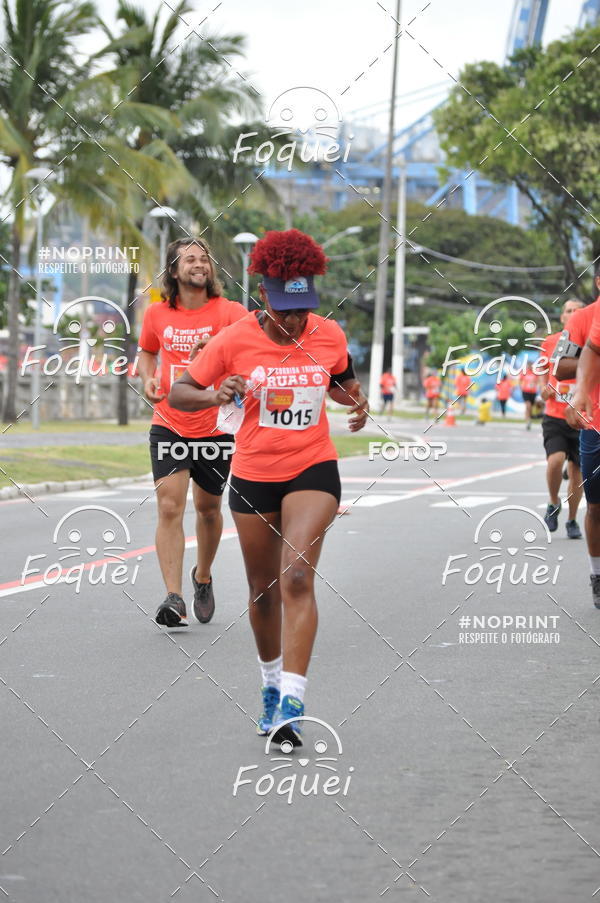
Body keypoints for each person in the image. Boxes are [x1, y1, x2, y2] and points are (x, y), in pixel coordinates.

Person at [169, 229, 369, 747]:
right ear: (263, 296)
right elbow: (180, 391)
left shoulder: (329, 334)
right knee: (263, 593)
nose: (295, 322)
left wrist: (357, 400)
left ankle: (293, 705)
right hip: (254, 475)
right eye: (285, 312)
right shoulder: (233, 340)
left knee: (297, 575)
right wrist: (216, 394)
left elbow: (342, 381)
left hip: (313, 467)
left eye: (303, 311)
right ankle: (270, 687)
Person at [137, 238, 247, 627]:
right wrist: (148, 379)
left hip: (216, 426)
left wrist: (218, 344)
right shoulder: (156, 313)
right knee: (169, 507)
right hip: (169, 423)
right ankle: (174, 597)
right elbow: (147, 352)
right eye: (190, 260)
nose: (199, 264)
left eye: (204, 259)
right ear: (173, 270)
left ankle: (202, 576)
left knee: (208, 509)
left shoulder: (230, 312)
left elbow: (252, 348)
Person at [561, 265, 600, 607]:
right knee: (597, 507)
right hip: (595, 424)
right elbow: (561, 366)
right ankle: (597, 574)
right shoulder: (583, 319)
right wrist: (583, 388)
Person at [538, 299, 584, 537]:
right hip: (555, 415)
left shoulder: (591, 342)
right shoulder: (550, 342)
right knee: (555, 461)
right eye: (569, 311)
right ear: (562, 317)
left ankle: (572, 520)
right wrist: (544, 389)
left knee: (577, 472)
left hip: (583, 417)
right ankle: (553, 502)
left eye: (578, 311)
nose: (573, 314)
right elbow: (543, 371)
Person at [519, 363, 538, 429]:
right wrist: (521, 387)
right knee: (528, 405)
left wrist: (535, 385)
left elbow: (538, 381)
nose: (530, 366)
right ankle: (528, 421)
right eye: (528, 365)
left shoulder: (535, 373)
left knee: (530, 408)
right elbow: (520, 380)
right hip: (525, 391)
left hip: (533, 392)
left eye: (531, 365)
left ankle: (529, 418)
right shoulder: (524, 372)